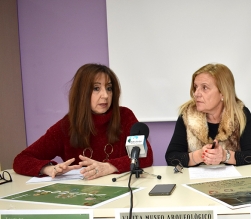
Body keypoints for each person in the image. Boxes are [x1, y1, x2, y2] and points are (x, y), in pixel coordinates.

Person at [13, 63, 153, 179]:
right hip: (84, 198)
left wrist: (109, 166)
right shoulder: (67, 125)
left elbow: (146, 157)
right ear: (82, 93)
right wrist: (48, 168)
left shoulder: (125, 116)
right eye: (96, 88)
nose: (105, 95)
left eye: (109, 88)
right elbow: (21, 159)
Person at [165, 63, 251, 167]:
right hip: (196, 181)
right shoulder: (187, 115)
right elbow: (171, 157)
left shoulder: (240, 114)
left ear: (223, 93)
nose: (196, 93)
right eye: (196, 87)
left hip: (232, 181)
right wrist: (199, 156)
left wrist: (225, 156)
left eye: (204, 88)